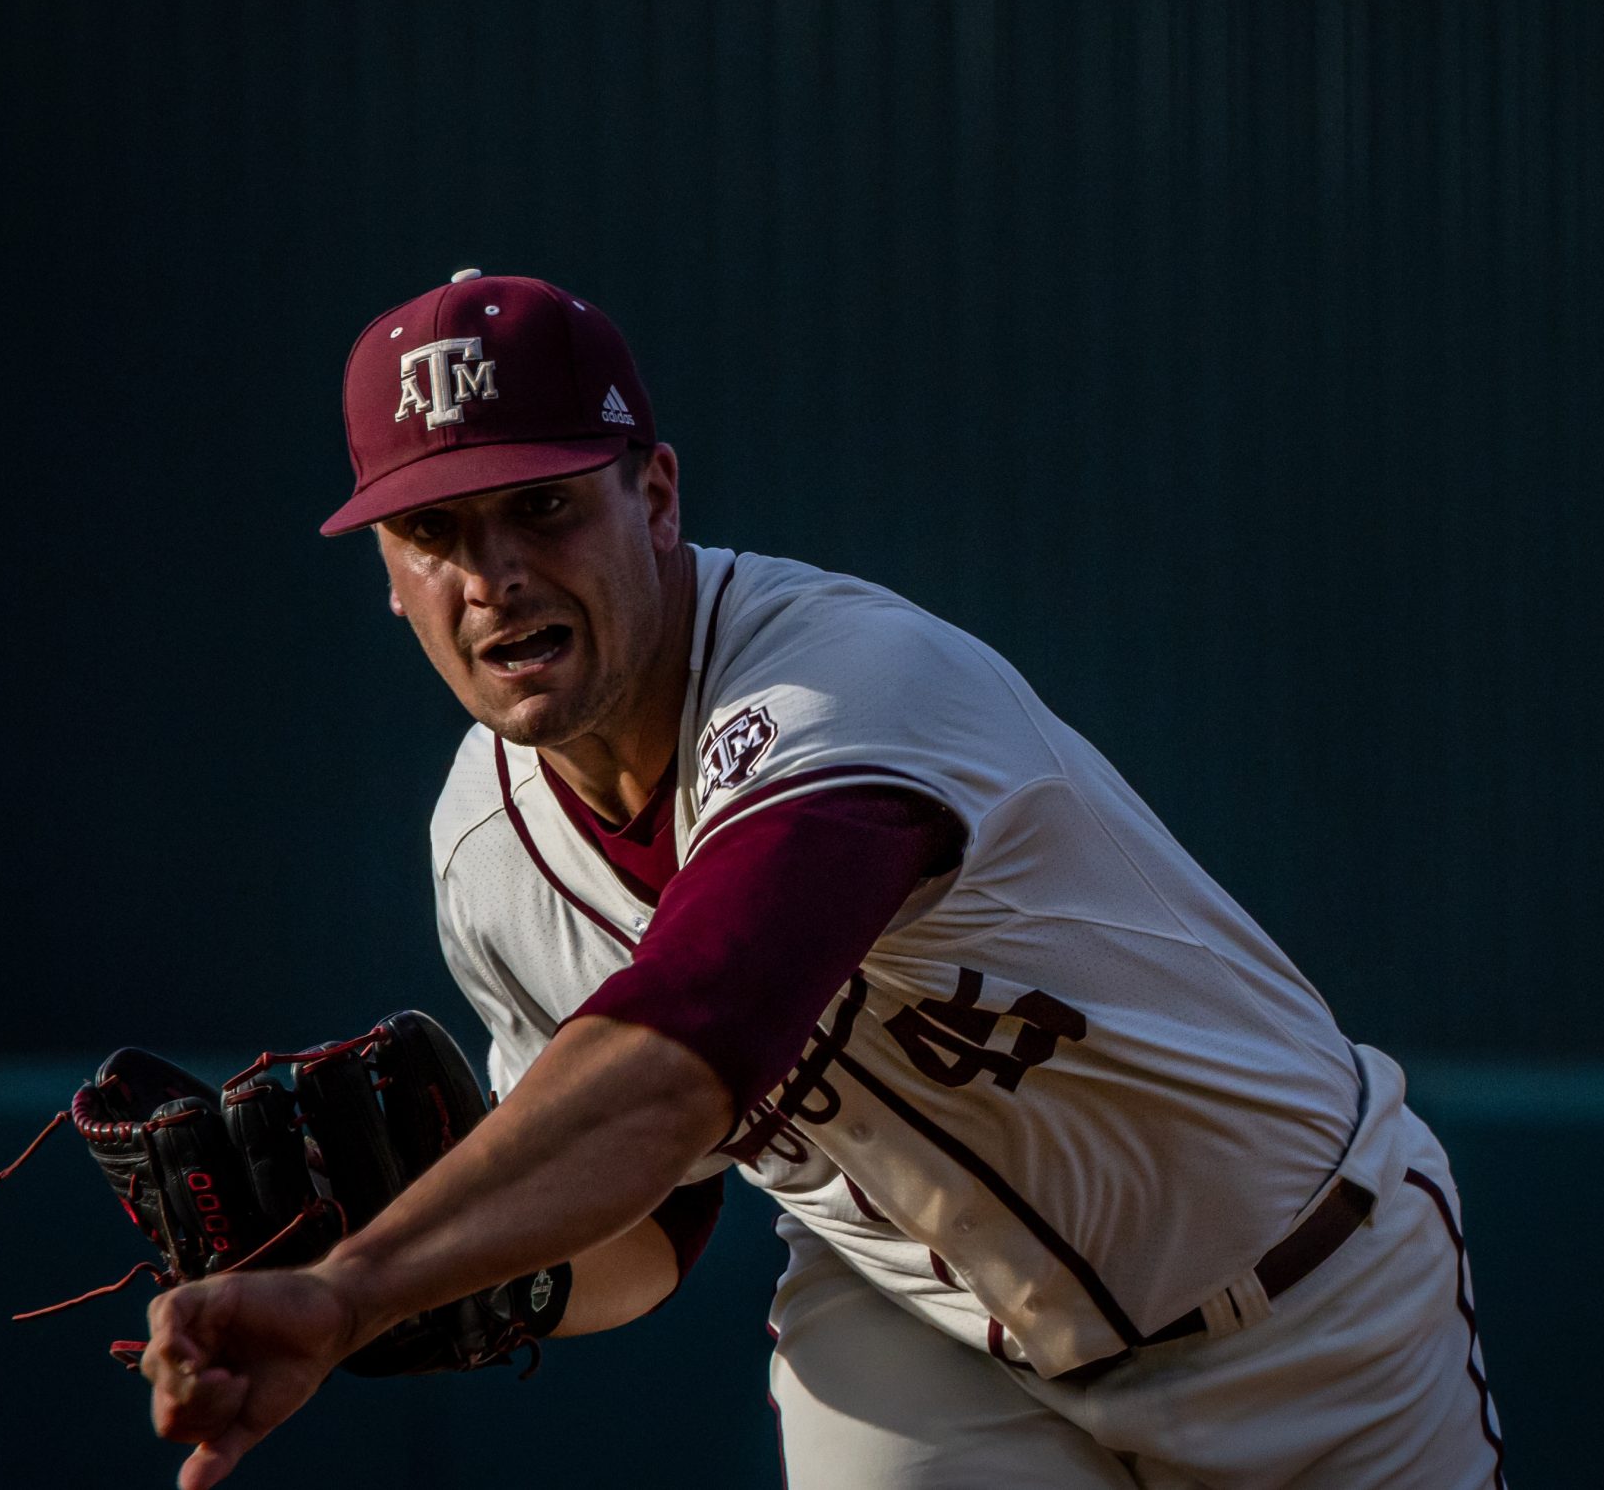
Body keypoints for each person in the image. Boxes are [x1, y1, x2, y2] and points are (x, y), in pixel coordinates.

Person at [140, 271, 1509, 1490]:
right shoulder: (485, 854)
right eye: (434, 534)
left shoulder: (839, 683)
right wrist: (481, 1274)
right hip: (930, 1344)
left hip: (1312, 1308)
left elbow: (697, 1039)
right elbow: (647, 1222)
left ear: (657, 497)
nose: (492, 577)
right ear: (388, 576)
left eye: (544, 507)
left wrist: (360, 1283)